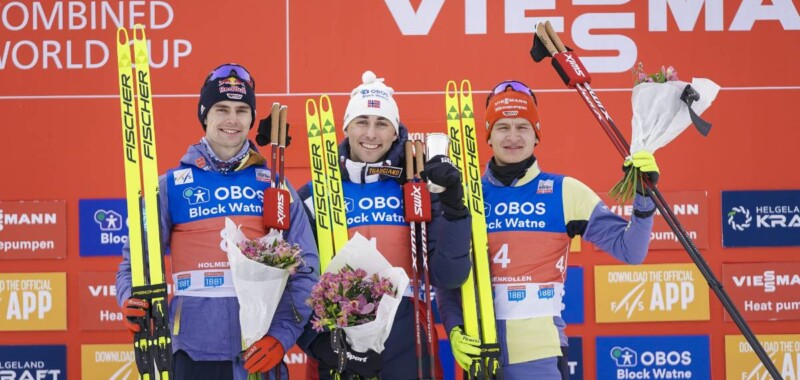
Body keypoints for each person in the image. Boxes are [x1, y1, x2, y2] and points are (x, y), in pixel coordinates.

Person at [436, 80, 659, 380]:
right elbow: (448, 282)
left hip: (540, 358)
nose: (512, 137)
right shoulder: (465, 196)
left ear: (536, 134)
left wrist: (645, 197)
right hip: (480, 353)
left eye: (522, 127)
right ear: (488, 134)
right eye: (503, 127)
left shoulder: (564, 192)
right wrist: (454, 331)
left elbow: (630, 251)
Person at [115, 63, 319, 380]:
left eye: (242, 110)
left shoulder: (275, 185)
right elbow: (136, 261)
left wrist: (281, 336)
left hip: (258, 351)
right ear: (204, 115)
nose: (232, 120)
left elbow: (306, 268)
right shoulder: (170, 187)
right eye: (221, 108)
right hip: (190, 351)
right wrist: (131, 296)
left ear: (252, 118)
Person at [297, 71, 472, 379]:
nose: (371, 133)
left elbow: (449, 275)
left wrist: (454, 208)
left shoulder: (415, 189)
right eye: (362, 121)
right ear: (346, 127)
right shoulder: (317, 194)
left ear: (395, 133)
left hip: (406, 333)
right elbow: (297, 281)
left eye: (382, 123)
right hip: (337, 335)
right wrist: (317, 342)